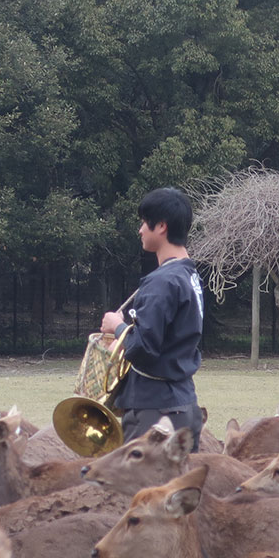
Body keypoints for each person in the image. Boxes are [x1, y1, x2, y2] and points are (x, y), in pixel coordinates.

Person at [99, 187, 204, 449]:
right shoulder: (189, 276)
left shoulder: (163, 281)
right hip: (184, 406)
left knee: (138, 489)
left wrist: (118, 327)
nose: (140, 230)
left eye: (144, 222)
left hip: (155, 412)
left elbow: (145, 348)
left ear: (161, 226)